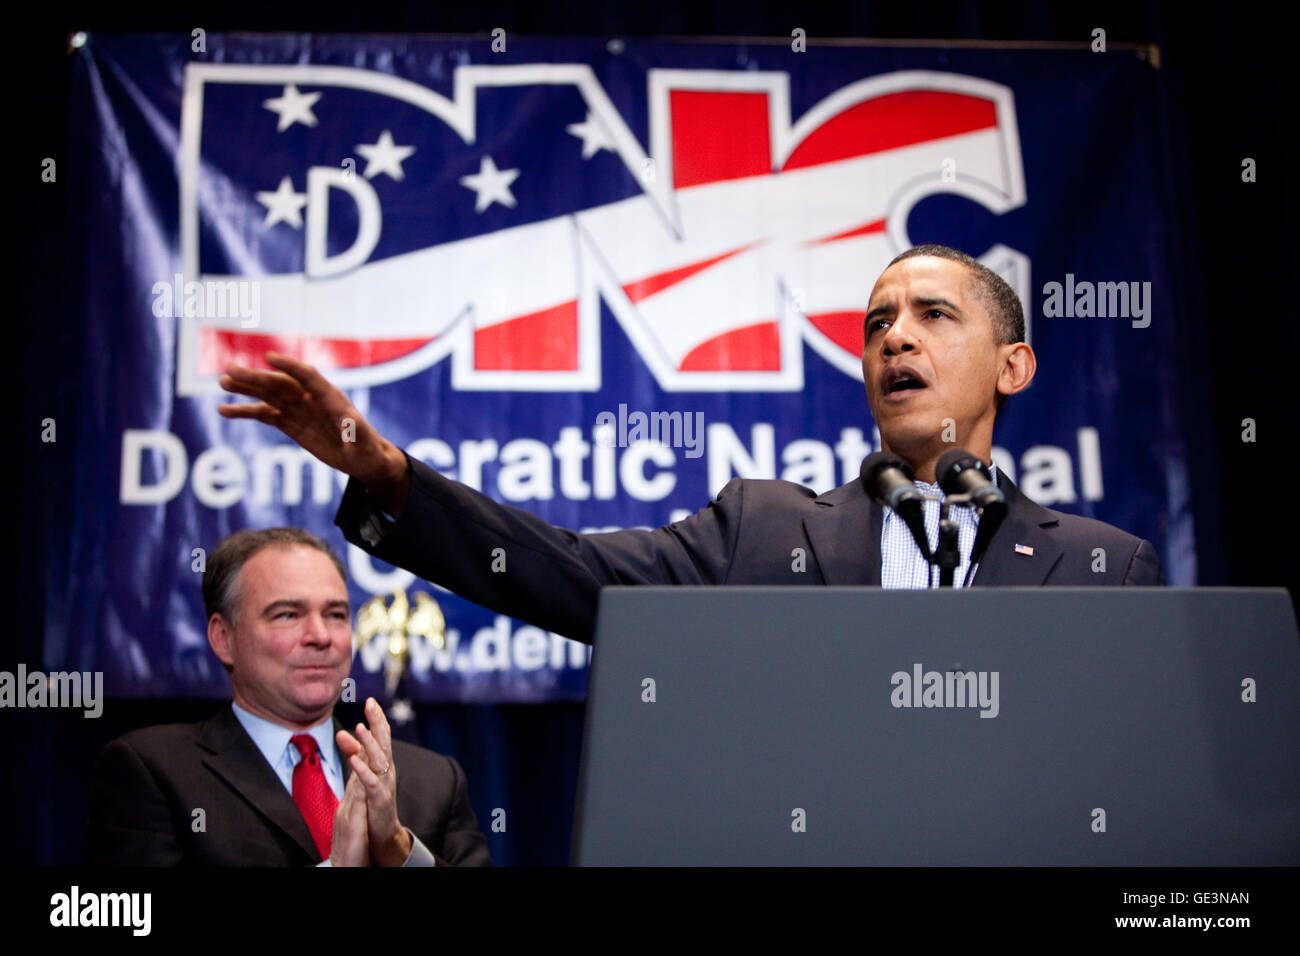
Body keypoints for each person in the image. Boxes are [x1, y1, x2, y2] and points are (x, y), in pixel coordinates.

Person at [216, 245, 1164, 644]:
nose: (895, 338)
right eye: (878, 322)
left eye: (933, 315)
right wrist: (390, 477)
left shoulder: (1100, 567)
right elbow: (565, 573)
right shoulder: (762, 528)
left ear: (1013, 367)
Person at [85, 528, 491, 866]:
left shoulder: (433, 780)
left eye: (335, 614)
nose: (320, 636)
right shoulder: (152, 771)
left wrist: (397, 851)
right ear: (223, 639)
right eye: (287, 615)